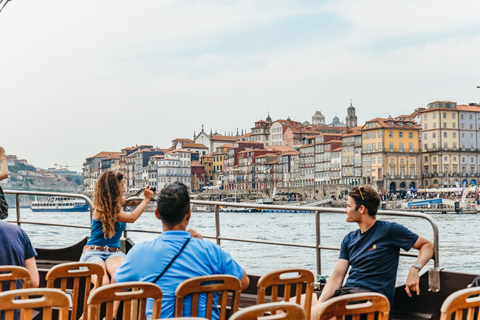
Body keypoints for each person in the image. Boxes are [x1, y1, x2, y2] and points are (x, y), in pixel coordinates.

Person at [114, 182, 250, 319]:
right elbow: (244, 282)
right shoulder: (211, 251)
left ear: (157, 214)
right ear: (188, 214)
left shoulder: (140, 253)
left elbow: (117, 285)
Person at [310, 186, 434, 320]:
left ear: (361, 209)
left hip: (371, 301)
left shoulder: (389, 230)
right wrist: (321, 302)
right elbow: (338, 276)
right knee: (295, 305)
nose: (345, 210)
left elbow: (427, 245)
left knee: (302, 314)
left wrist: (415, 268)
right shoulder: (349, 239)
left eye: (348, 206)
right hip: (347, 295)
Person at [79, 170, 154, 319]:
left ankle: (110, 317)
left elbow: (131, 202)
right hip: (93, 252)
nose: (124, 189)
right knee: (103, 282)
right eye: (122, 186)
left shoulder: (117, 203)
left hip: (114, 252)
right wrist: (146, 200)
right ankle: (84, 317)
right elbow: (131, 218)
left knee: (121, 277)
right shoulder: (101, 209)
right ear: (114, 189)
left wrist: (143, 196)